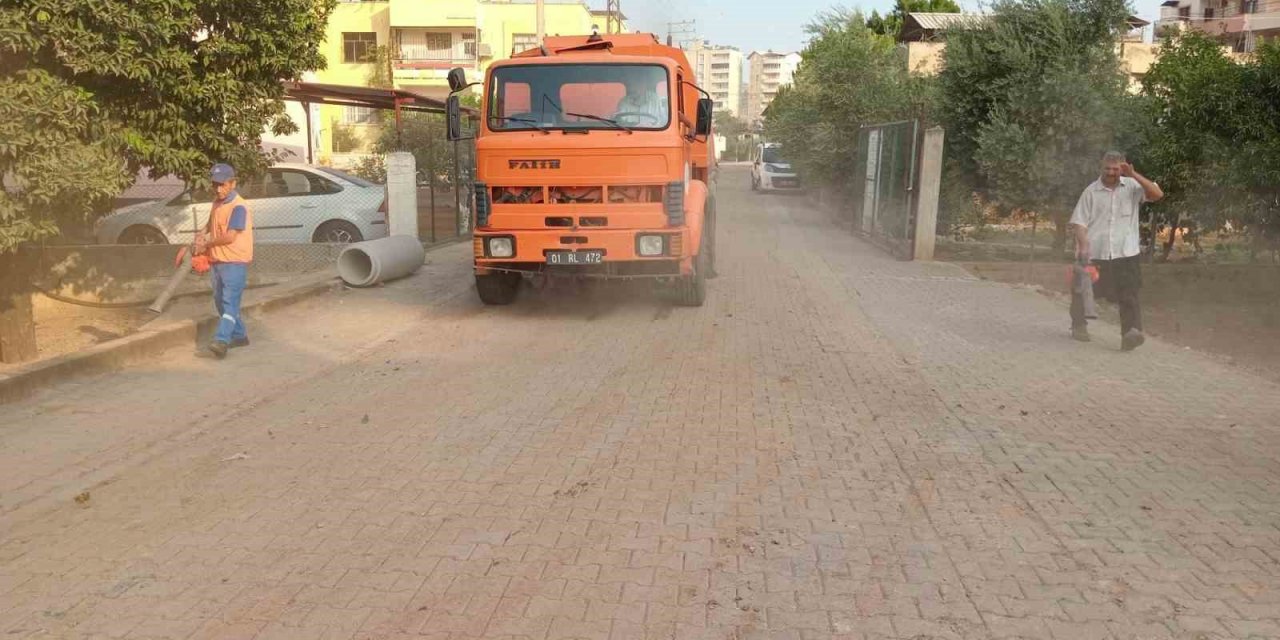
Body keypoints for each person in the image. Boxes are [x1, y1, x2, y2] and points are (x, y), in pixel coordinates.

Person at [1068, 151, 1163, 350]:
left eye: (1115, 169)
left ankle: (1130, 333)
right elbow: (1079, 223)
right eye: (1107, 168)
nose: (1111, 172)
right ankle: (1078, 325)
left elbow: (1157, 194)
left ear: (1122, 168)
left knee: (1129, 295)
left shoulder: (1132, 187)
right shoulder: (1091, 192)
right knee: (1083, 291)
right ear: (1101, 168)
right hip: (1096, 254)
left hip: (1126, 253)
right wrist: (1084, 246)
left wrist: (1134, 175)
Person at [195, 163, 254, 359]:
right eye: (215, 185)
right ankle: (240, 335)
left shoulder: (238, 207)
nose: (218, 189)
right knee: (220, 302)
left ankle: (221, 341)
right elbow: (211, 221)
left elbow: (230, 237)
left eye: (222, 185)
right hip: (217, 261)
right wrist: (201, 233)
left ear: (232, 183)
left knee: (229, 303)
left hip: (234, 262)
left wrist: (207, 243)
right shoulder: (217, 202)